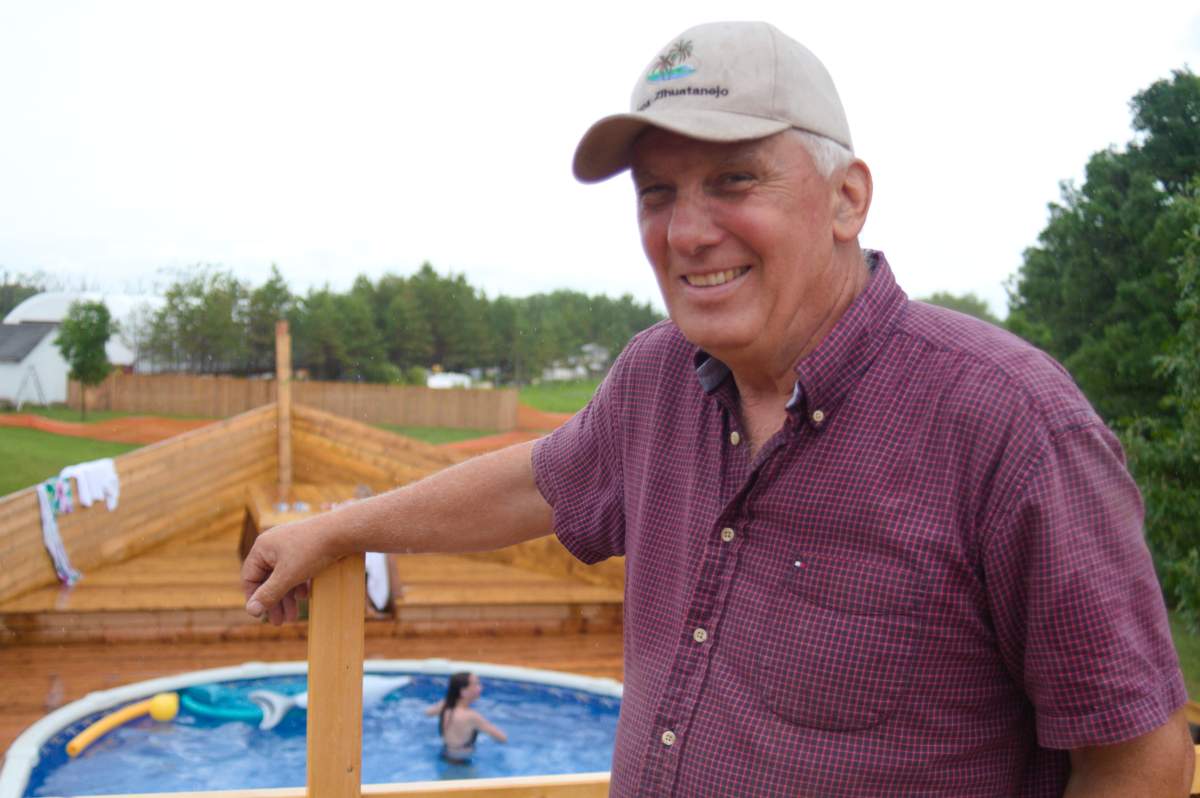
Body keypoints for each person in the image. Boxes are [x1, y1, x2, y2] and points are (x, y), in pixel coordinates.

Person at [242, 20, 1195, 796]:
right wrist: (339, 529)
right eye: (657, 193)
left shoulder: (1011, 425)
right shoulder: (656, 377)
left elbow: (1138, 758)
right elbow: (536, 483)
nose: (687, 233)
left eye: (735, 179)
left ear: (847, 199)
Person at [423, 671, 506, 763]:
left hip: (444, 755)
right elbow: (502, 738)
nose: (481, 687)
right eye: (476, 684)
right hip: (462, 763)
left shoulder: (445, 705)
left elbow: (427, 713)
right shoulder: (472, 716)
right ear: (464, 692)